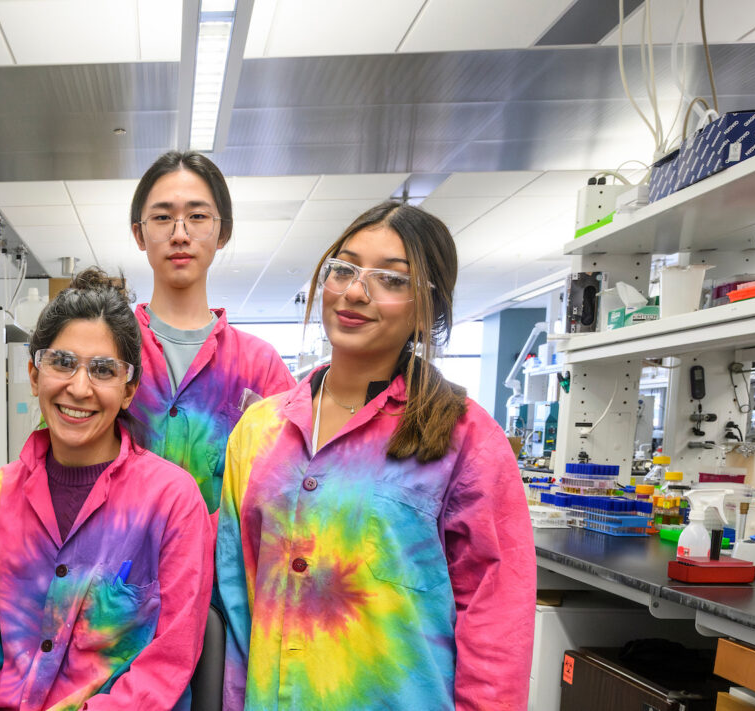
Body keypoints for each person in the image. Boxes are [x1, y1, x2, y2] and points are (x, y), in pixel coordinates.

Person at [215, 203, 535, 710]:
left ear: (426, 308)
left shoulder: (465, 437)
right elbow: (236, 600)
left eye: (391, 279)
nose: (355, 292)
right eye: (343, 269)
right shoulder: (259, 432)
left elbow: (497, 617)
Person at [0, 268, 212, 711]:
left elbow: (168, 661)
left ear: (129, 389)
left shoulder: (171, 501)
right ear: (34, 373)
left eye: (103, 370)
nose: (78, 388)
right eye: (62, 363)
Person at [127, 151, 296, 515]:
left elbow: (291, 484)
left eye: (198, 216)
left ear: (223, 232)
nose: (180, 234)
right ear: (139, 234)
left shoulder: (260, 366)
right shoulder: (112, 350)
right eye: (162, 217)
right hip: (121, 568)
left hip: (223, 570)